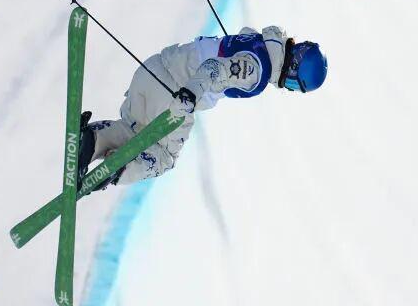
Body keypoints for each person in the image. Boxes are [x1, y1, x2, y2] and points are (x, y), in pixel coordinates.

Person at [77, 25, 328, 188]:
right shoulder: (257, 72)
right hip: (175, 93)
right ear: (294, 69)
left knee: (132, 130)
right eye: (294, 85)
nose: (288, 87)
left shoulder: (260, 42)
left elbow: (231, 48)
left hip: (151, 70)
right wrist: (189, 95)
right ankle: (116, 167)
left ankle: (91, 141)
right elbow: (213, 68)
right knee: (164, 158)